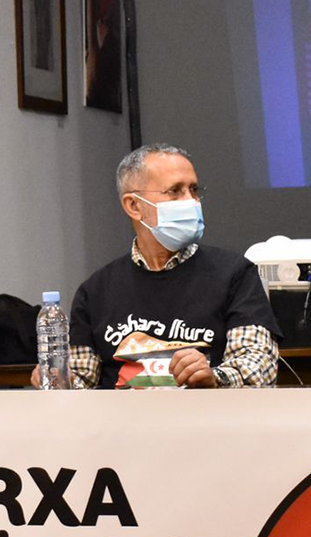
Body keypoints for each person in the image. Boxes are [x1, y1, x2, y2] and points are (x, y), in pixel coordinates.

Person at [63, 144, 280, 389]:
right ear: (134, 206)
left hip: (206, 411)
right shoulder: (95, 291)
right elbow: (80, 380)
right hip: (124, 413)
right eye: (175, 191)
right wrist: (58, 380)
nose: (191, 201)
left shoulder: (235, 274)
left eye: (193, 190)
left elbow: (259, 367)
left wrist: (215, 378)